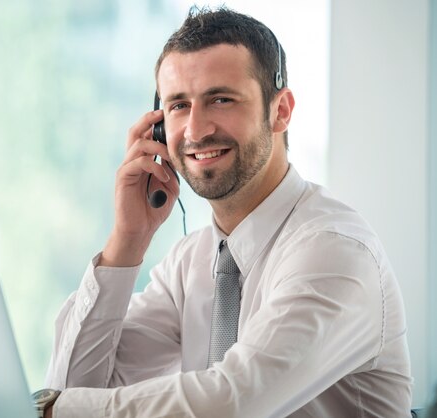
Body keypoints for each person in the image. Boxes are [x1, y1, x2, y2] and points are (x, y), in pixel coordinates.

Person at [35, 6, 413, 418]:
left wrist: (55, 409)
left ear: (280, 111)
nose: (196, 131)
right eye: (178, 105)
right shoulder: (190, 262)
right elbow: (74, 388)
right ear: (158, 127)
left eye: (221, 99)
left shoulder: (335, 251)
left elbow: (231, 402)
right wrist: (127, 240)